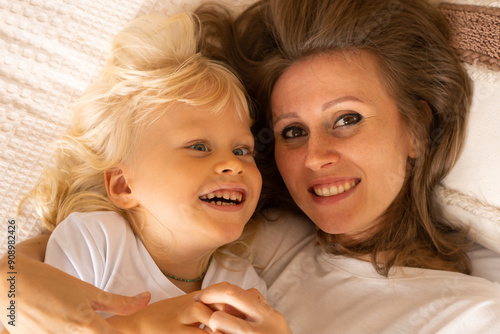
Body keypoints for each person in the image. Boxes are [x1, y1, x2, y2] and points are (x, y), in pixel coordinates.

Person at [2, 0, 500, 333]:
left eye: (346, 119)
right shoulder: (248, 239)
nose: (315, 156)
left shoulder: (477, 305)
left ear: (415, 126)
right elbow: (22, 271)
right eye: (291, 132)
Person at [0, 11, 288, 334]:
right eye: (199, 147)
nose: (233, 164)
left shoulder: (242, 285)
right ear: (124, 185)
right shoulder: (96, 242)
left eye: (242, 150)